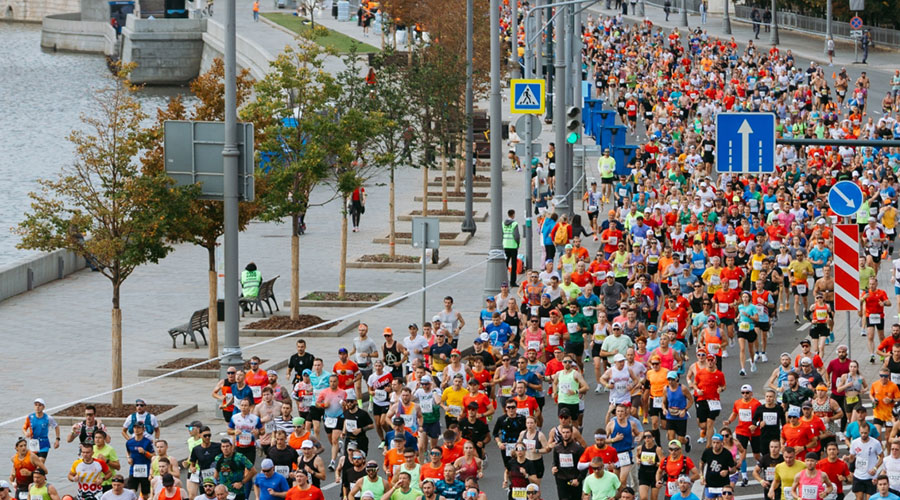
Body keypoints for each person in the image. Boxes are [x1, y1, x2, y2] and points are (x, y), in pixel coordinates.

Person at [551, 425, 584, 499]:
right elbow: (555, 462)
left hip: (574, 480)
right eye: (563, 432)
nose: (565, 435)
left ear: (572, 433)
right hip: (561, 480)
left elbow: (584, 467)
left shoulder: (578, 449)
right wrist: (553, 468)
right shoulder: (557, 448)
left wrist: (579, 479)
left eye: (567, 432)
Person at [503, 209, 521, 287]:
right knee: (514, 265)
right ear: (513, 214)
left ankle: (503, 281)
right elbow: (516, 235)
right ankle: (512, 282)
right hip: (513, 246)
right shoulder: (514, 223)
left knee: (505, 264)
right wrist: (518, 244)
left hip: (505, 245)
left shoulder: (503, 223)